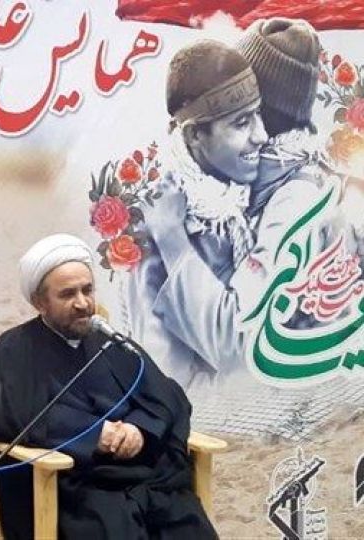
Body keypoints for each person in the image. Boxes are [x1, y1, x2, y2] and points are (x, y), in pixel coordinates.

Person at [142, 19, 356, 380]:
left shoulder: (294, 203)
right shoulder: (234, 197)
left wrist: (173, 241)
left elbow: (236, 345)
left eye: (248, 115)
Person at [0, 234, 217, 540]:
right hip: (68, 486)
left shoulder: (109, 342)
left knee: (185, 522)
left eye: (87, 290)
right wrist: (93, 434)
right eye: (67, 294)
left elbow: (166, 397)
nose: (82, 303)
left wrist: (140, 429)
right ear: (40, 302)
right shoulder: (13, 350)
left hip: (139, 478)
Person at [125, 39, 269, 388]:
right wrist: (174, 242)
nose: (261, 136)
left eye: (258, 115)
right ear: (193, 135)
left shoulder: (236, 200)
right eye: (242, 123)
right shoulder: (164, 226)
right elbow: (172, 377)